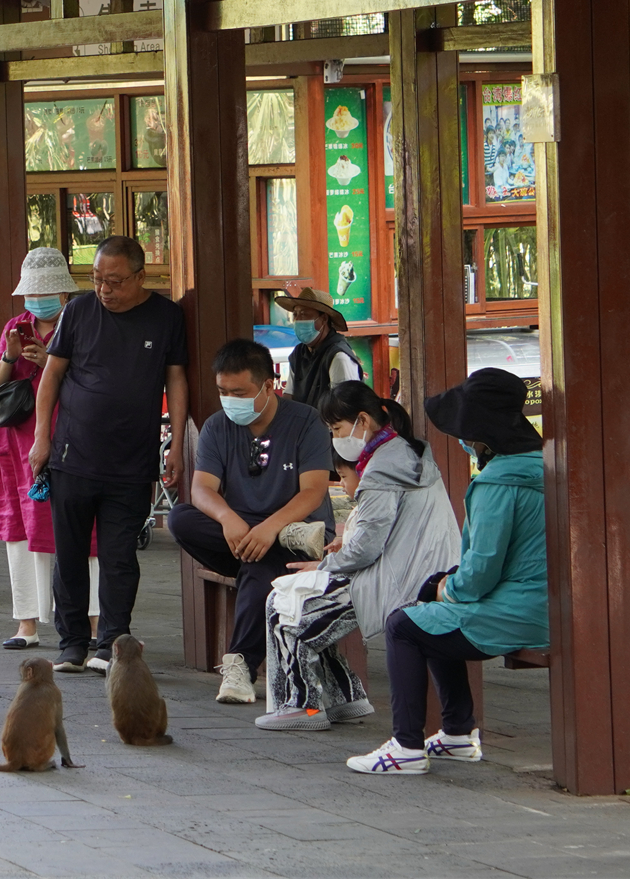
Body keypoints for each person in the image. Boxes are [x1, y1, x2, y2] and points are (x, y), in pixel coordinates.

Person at [347, 368, 546, 775]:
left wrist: (448, 590)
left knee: (403, 624)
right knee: (429, 610)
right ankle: (455, 734)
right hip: (548, 601)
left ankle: (406, 745)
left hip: (522, 613)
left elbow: (482, 572)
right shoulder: (543, 465)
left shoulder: (498, 483)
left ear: (480, 436)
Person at [255, 381, 461, 731]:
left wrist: (323, 566)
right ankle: (346, 697)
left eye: (336, 428)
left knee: (284, 604)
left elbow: (366, 546)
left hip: (402, 581)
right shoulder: (404, 453)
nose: (335, 437)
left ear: (362, 421)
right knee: (311, 605)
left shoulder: (383, 466)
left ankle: (301, 706)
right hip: (428, 573)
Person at [29, 236, 188, 675]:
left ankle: (112, 641)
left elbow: (176, 380)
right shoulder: (79, 311)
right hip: (71, 454)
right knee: (71, 554)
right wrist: (42, 438)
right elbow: (52, 376)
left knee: (120, 557)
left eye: (115, 282)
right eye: (97, 280)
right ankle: (72, 643)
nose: (105, 290)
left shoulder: (166, 317)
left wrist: (176, 441)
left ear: (141, 277)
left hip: (130, 461)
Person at [166, 339, 334, 703]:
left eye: (239, 392)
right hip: (240, 535)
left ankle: (240, 666)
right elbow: (202, 490)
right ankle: (241, 659)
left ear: (268, 385)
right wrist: (227, 519)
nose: (230, 400)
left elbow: (313, 492)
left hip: (294, 536)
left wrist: (269, 528)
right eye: (223, 391)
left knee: (260, 568)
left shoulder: (307, 422)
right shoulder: (216, 427)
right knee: (180, 518)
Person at [0, 247, 97, 649]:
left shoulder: (85, 321)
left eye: (44, 294)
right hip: (18, 445)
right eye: (31, 295)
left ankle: (94, 621)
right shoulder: (17, 325)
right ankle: (26, 622)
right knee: (22, 528)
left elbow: (94, 380)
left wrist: (52, 359)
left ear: (64, 294)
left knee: (87, 530)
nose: (37, 303)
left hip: (70, 438)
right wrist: (11, 357)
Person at [273, 286, 362, 411]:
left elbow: (346, 408)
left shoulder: (338, 357)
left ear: (324, 319)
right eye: (295, 315)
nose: (298, 320)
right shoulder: (299, 353)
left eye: (304, 314)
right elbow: (289, 395)